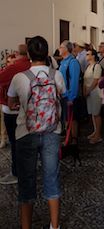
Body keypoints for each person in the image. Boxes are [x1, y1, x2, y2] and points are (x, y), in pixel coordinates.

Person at [7, 36, 65, 229]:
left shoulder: (19, 77)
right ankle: (55, 226)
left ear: (29, 54)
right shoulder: (56, 75)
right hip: (52, 131)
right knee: (52, 177)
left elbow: (11, 102)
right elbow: (61, 96)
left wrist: (20, 104)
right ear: (47, 53)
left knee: (26, 180)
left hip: (26, 133)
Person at [0, 45, 30, 185]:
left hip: (12, 112)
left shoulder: (13, 68)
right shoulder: (31, 66)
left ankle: (16, 173)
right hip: (28, 110)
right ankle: (28, 170)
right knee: (26, 142)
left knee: (15, 143)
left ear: (17, 53)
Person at [59, 40, 81, 140]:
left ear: (66, 49)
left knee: (72, 119)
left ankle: (74, 141)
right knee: (67, 119)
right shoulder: (63, 62)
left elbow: (74, 81)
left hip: (69, 96)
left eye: (61, 47)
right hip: (63, 95)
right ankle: (69, 138)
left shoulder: (73, 62)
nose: (59, 49)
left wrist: (71, 98)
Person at [83, 49, 102, 143]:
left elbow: (96, 80)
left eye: (88, 54)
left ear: (93, 56)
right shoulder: (88, 66)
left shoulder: (97, 66)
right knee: (92, 114)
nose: (86, 56)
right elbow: (85, 80)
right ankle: (95, 131)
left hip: (95, 93)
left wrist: (88, 90)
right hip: (89, 93)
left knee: (96, 113)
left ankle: (98, 134)